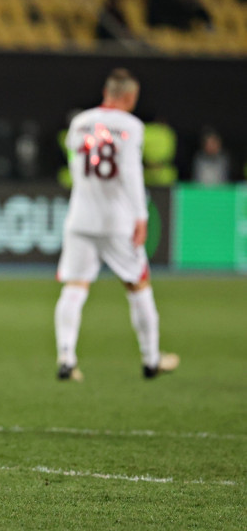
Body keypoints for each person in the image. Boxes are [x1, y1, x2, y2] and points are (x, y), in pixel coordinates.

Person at [54, 68, 179, 382]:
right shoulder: (131, 126)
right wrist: (141, 215)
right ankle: (151, 360)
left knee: (74, 287)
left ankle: (66, 357)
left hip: (80, 216)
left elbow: (74, 159)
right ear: (129, 97)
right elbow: (130, 172)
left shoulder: (79, 122)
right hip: (116, 220)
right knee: (138, 285)